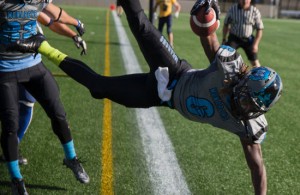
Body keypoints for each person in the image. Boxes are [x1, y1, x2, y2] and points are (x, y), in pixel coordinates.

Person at [12, 0, 283, 194]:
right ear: (244, 82)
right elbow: (209, 39)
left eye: (252, 105)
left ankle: (43, 47)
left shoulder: (250, 126)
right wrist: (206, 12)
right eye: (246, 97)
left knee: (98, 87)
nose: (245, 105)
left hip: (161, 96)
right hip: (174, 70)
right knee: (139, 22)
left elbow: (257, 167)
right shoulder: (230, 69)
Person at [0, 1, 89, 194]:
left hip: (33, 65)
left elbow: (53, 14)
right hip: (5, 68)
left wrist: (76, 23)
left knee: (58, 113)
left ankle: (71, 158)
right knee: (9, 126)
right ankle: (16, 180)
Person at [222, 0, 264, 67]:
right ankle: (227, 76)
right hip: (234, 38)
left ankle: (260, 77)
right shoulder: (233, 9)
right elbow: (226, 24)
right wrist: (224, 39)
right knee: (226, 59)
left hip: (248, 39)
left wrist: (256, 44)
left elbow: (260, 29)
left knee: (255, 62)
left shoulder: (254, 11)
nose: (245, 1)